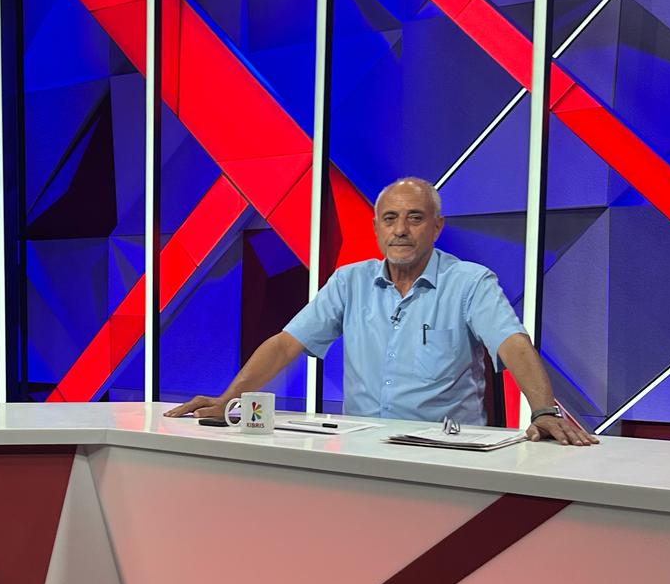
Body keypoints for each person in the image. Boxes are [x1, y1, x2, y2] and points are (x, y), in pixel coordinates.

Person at [166, 177, 597, 446]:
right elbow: (284, 345)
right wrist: (228, 399)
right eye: (390, 219)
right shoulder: (349, 281)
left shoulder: (469, 281)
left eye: (415, 218)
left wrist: (543, 411)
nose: (401, 230)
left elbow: (513, 344)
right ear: (376, 228)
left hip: (445, 452)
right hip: (364, 447)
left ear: (437, 226)